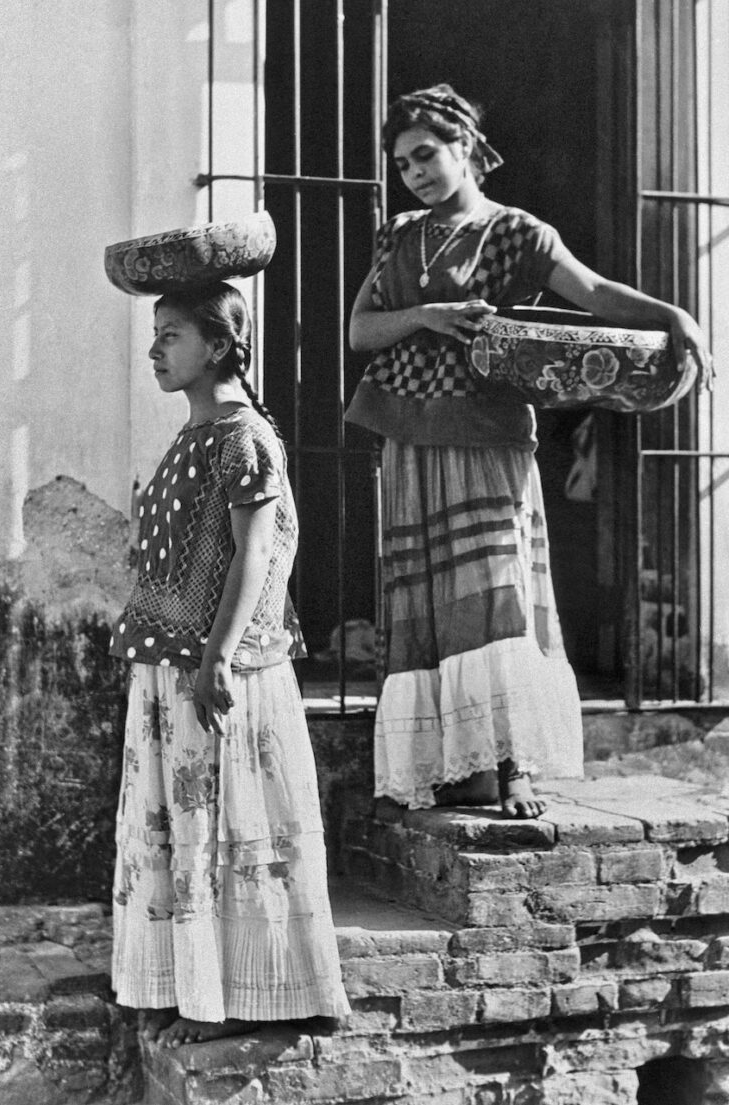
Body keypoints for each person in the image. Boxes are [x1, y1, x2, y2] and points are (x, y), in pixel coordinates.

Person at [347, 84, 712, 819]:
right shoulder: (398, 234)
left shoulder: (517, 233)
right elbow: (361, 330)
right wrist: (427, 313)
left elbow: (595, 292)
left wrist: (674, 316)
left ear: (467, 151)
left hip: (487, 433)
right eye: (403, 163)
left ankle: (515, 769)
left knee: (499, 593)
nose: (414, 172)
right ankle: (454, 766)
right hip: (410, 438)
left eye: (426, 155)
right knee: (427, 600)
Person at [109, 282, 350, 1047]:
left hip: (218, 669)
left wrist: (217, 654)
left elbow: (256, 555)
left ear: (216, 344)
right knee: (183, 829)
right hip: (169, 663)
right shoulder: (194, 435)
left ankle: (250, 996)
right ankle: (189, 984)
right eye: (155, 333)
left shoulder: (244, 436)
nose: (155, 349)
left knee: (229, 827)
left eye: (171, 333)